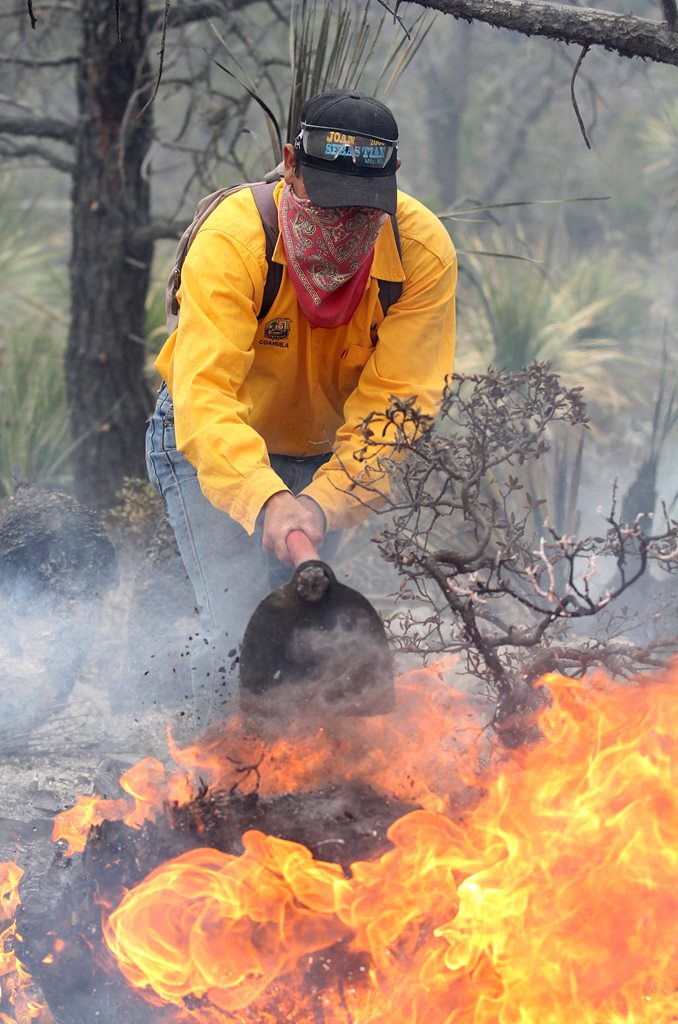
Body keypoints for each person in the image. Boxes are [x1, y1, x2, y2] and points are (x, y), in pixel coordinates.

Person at [146, 88, 457, 727]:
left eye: (361, 211)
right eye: (325, 203)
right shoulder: (235, 238)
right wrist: (265, 500)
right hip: (212, 441)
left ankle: (299, 791)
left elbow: (395, 410)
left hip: (324, 461)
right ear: (290, 164)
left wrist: (322, 502)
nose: (341, 227)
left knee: (307, 639)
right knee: (234, 634)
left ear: (392, 182)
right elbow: (205, 398)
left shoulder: (422, 256)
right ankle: (208, 794)